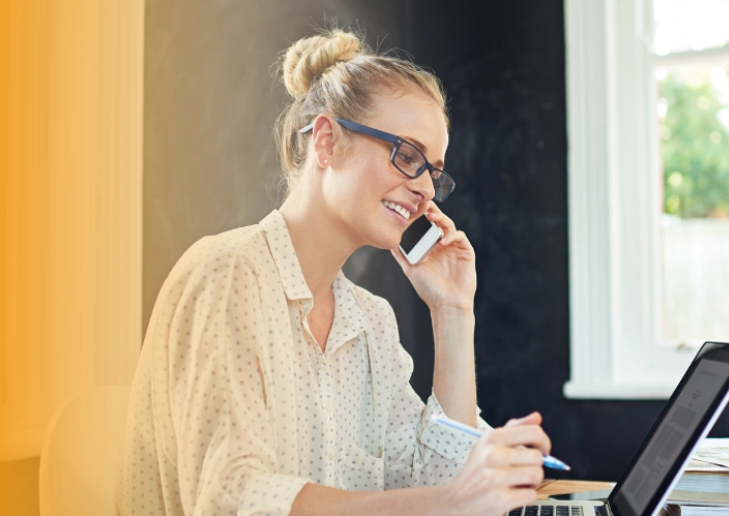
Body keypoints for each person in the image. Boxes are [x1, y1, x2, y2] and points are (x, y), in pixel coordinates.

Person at [117, 29, 551, 516]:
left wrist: (453, 311)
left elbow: (441, 485)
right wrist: (450, 500)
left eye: (434, 172)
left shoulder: (370, 322)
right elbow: (232, 496)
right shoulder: (227, 275)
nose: (426, 190)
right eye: (408, 157)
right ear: (326, 142)